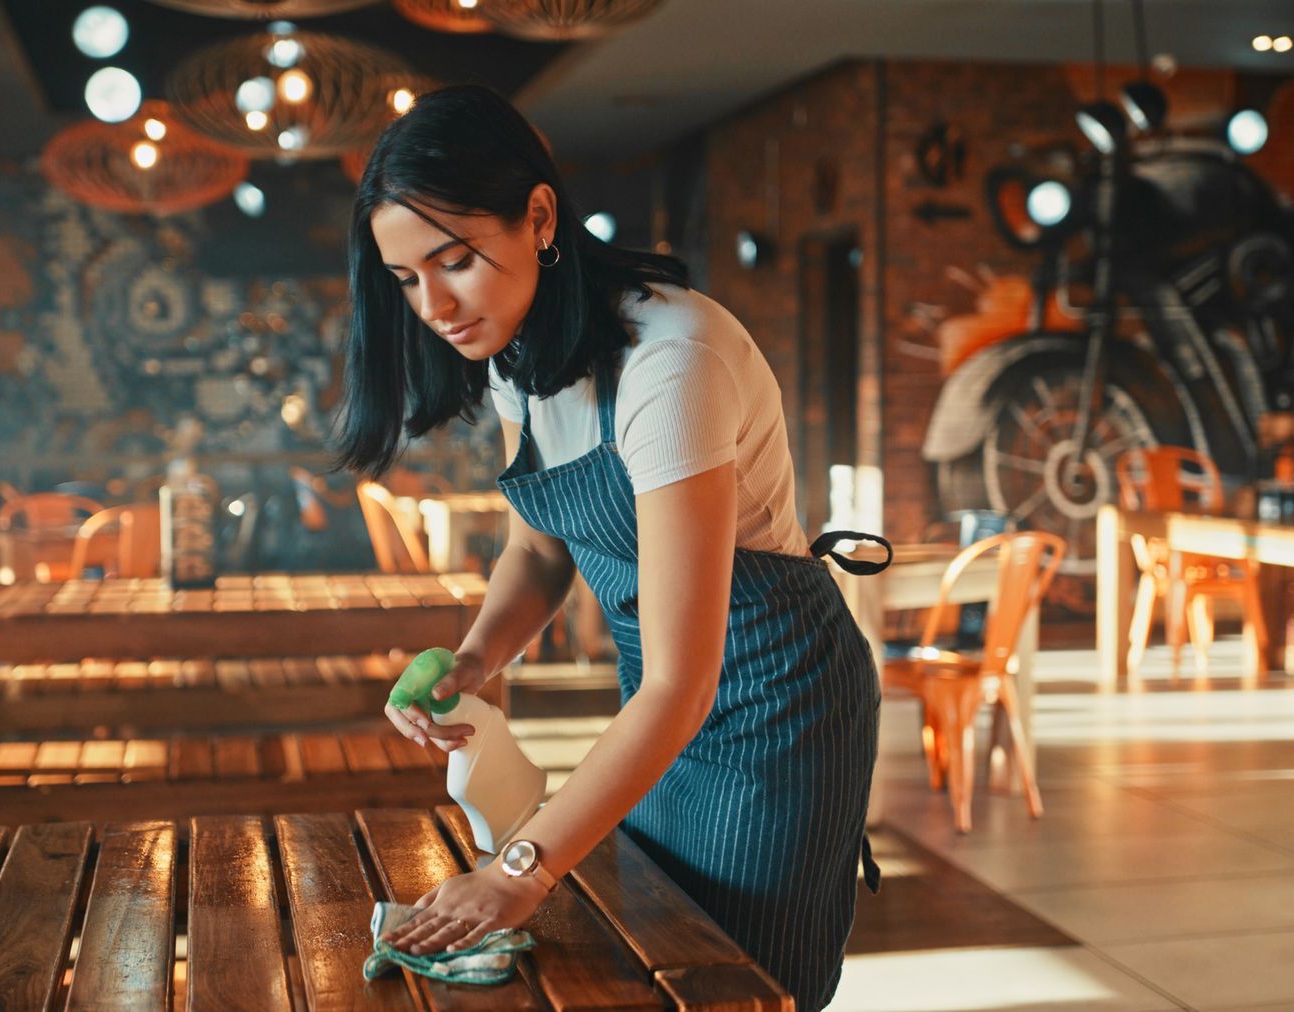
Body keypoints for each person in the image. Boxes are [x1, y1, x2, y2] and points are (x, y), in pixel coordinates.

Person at [335, 84, 887, 1009]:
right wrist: (473, 660)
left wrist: (518, 870)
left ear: (539, 216)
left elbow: (685, 680)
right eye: (405, 279)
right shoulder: (518, 352)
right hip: (662, 701)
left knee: (740, 983)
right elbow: (541, 553)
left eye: (456, 259)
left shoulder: (670, 360)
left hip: (777, 710)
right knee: (657, 956)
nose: (432, 303)